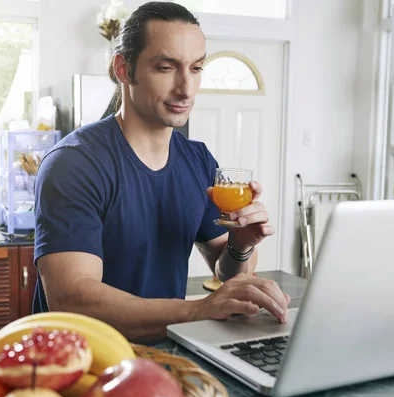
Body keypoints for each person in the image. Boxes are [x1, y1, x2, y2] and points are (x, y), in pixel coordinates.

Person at [32, 1, 290, 344]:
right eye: (167, 68)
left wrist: (240, 246)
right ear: (124, 68)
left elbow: (226, 269)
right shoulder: (74, 164)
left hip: (165, 354)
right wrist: (197, 310)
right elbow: (73, 299)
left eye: (196, 68)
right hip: (82, 363)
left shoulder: (197, 160)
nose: (186, 88)